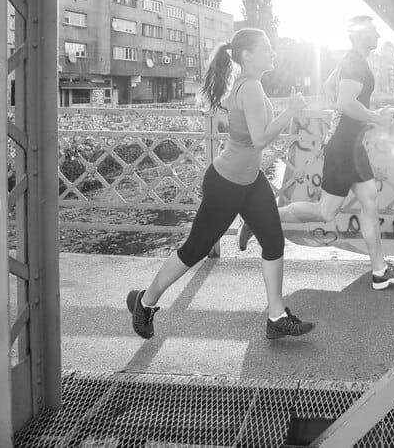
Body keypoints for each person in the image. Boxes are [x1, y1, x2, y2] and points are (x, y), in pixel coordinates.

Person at [127, 28, 315, 340]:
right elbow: (260, 139)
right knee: (194, 250)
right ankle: (145, 303)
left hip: (250, 181)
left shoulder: (249, 84)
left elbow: (248, 129)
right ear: (247, 56)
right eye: (266, 48)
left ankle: (276, 317)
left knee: (273, 241)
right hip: (227, 184)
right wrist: (291, 113)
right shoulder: (251, 86)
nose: (273, 52)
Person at [239, 15, 394, 291]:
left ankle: (380, 270)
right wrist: (376, 118)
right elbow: (345, 101)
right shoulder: (354, 62)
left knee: (369, 201)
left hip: (352, 145)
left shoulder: (351, 60)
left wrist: (343, 116)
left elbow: (330, 88)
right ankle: (259, 217)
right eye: (373, 31)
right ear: (359, 35)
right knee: (325, 212)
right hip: (344, 147)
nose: (378, 36)